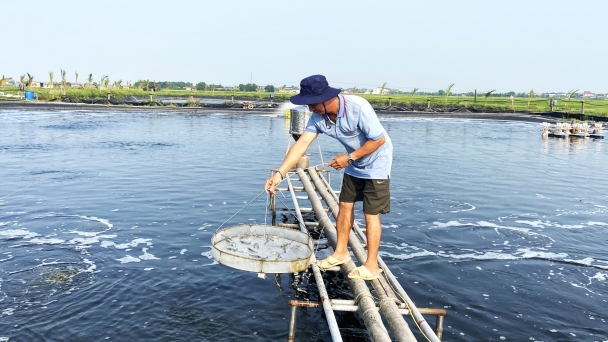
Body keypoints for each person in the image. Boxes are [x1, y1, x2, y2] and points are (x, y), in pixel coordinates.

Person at [264, 74, 393, 280]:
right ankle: (341, 252)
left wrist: (349, 158)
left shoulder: (358, 107)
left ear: (325, 99)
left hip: (376, 163)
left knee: (370, 213)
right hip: (353, 163)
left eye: (311, 104)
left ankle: (371, 265)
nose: (309, 109)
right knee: (345, 205)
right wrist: (280, 174)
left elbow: (378, 140)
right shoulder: (318, 117)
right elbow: (301, 144)